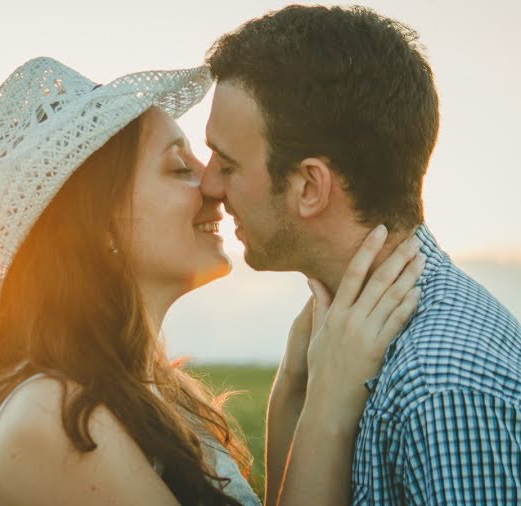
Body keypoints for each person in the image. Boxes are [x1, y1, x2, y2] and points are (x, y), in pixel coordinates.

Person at [0, 56, 423, 505]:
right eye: (178, 167)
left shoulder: (151, 394)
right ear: (99, 224)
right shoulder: (54, 418)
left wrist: (294, 391)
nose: (213, 185)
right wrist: (329, 404)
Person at [201, 5, 521, 505]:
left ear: (309, 186)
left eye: (227, 163)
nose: (208, 184)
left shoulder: (438, 389)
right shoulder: (335, 344)